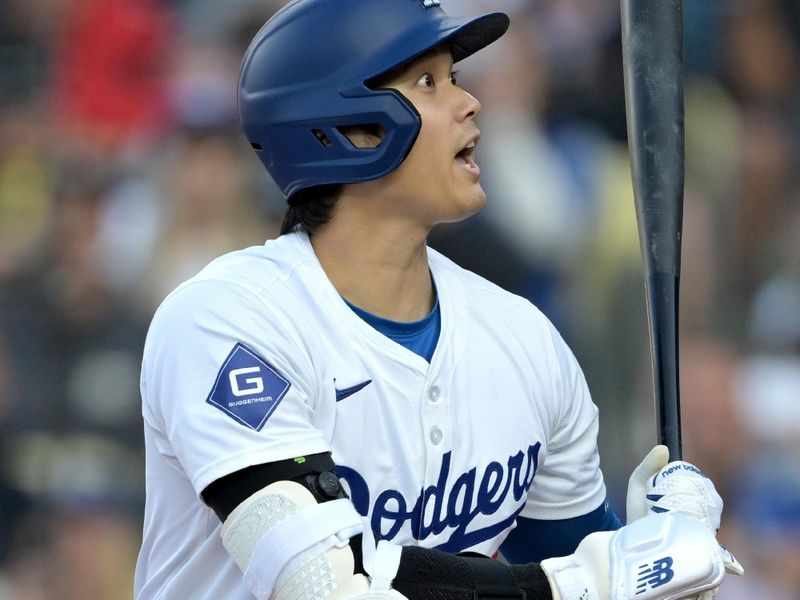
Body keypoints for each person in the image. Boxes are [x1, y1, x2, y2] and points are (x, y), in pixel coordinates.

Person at [134, 1, 742, 598]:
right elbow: (326, 584)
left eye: (456, 77)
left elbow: (590, 572)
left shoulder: (524, 340)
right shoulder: (226, 320)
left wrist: (663, 552)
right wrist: (588, 580)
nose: (469, 101)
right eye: (428, 82)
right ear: (349, 126)